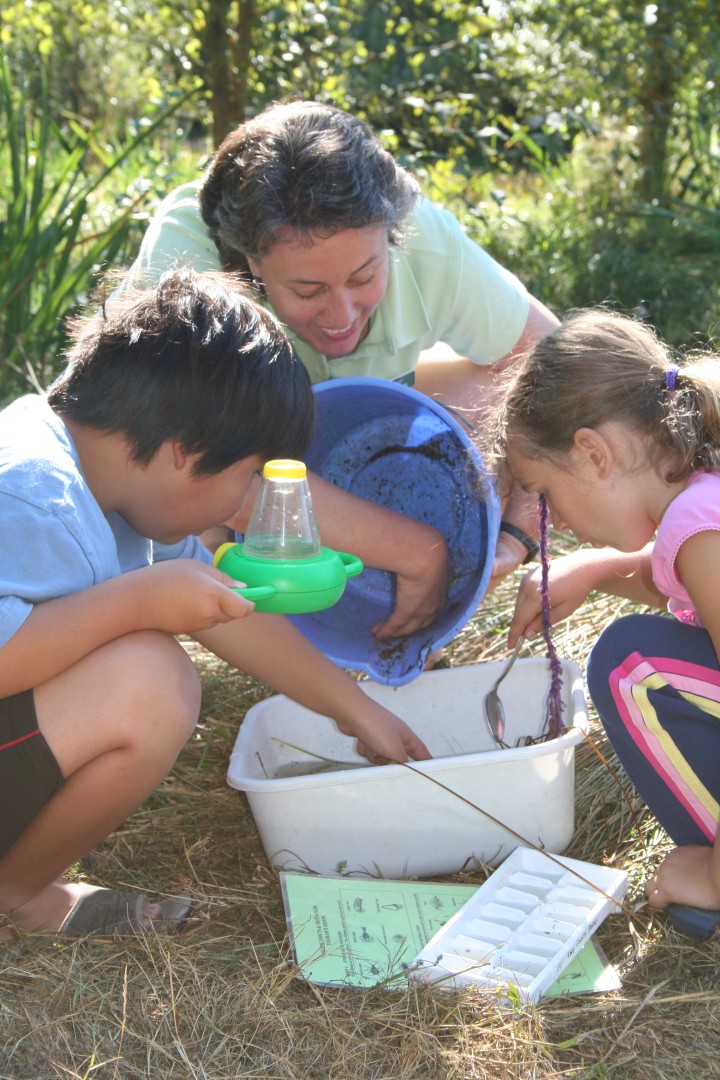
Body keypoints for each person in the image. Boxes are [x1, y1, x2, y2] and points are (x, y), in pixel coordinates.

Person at [0, 267, 429, 940]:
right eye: (244, 477)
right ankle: (17, 896)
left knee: (146, 669)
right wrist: (135, 602)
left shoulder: (117, 492)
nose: (241, 503)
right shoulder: (33, 497)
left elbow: (235, 609)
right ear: (182, 453)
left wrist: (355, 709)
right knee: (149, 682)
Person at [120, 99, 558, 641]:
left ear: (391, 235)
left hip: (329, 425)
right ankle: (267, 610)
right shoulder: (187, 268)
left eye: (364, 276)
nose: (342, 315)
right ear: (250, 262)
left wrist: (516, 533)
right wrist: (418, 553)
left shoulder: (424, 237)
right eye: (307, 290)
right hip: (208, 454)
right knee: (187, 515)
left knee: (498, 390)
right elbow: (200, 475)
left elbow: (559, 366)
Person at [494, 308, 720, 920]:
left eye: (544, 494)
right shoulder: (700, 493)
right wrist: (593, 570)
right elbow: (682, 584)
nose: (556, 521)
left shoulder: (700, 532)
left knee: (634, 664)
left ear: (594, 453)